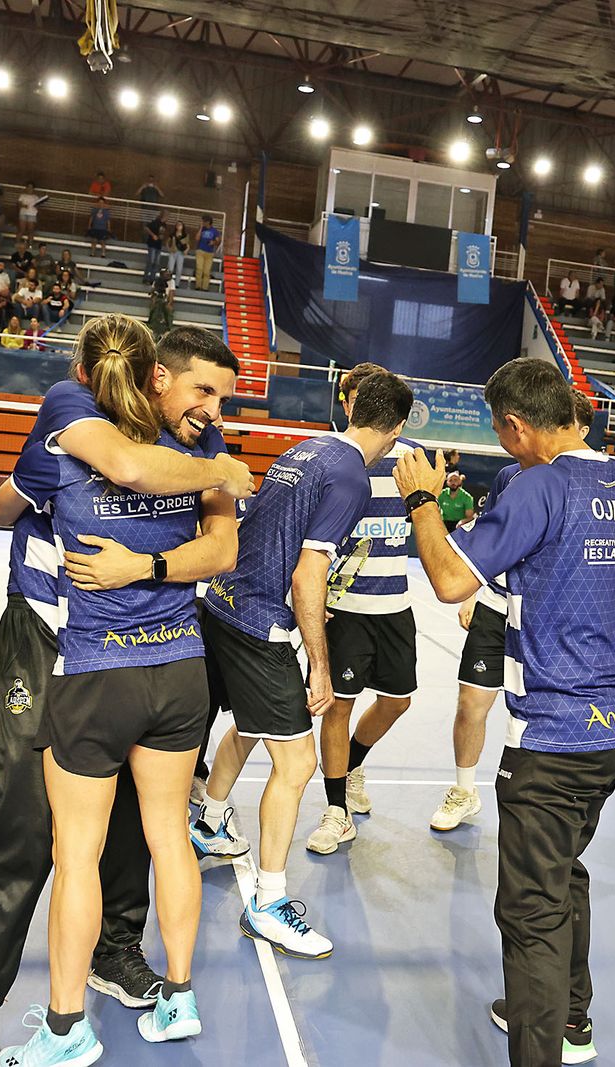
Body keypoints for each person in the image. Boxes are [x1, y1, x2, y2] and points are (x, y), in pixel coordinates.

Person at [0, 321, 256, 1066]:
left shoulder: (198, 442)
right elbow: (108, 474)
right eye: (204, 390)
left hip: (138, 652)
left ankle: (113, 956)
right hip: (50, 634)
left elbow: (220, 548)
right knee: (23, 819)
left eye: (223, 397)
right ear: (156, 376)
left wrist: (147, 563)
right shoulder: (74, 409)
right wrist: (220, 473)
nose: (214, 410)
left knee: (137, 827)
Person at [393, 356, 615, 1067]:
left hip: (555, 739)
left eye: (500, 433)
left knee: (529, 911)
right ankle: (572, 1020)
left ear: (515, 425)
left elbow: (449, 580)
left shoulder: (538, 487)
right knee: (563, 871)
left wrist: (423, 501)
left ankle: (545, 1042)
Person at [189, 370, 413, 960]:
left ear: (352, 407)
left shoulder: (306, 449)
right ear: (396, 429)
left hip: (222, 601)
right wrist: (319, 663)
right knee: (296, 763)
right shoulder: (353, 477)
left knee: (250, 725)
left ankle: (210, 822)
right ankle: (267, 904)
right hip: (261, 621)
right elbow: (307, 573)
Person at [431, 389, 593, 834]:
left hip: (547, 617)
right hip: (495, 607)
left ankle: (546, 801)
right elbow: (489, 543)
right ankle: (465, 791)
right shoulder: (509, 477)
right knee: (471, 703)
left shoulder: (582, 484)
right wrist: (472, 594)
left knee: (541, 713)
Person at [306, 364, 423, 856]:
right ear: (345, 402)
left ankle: (353, 763)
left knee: (398, 701)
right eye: (354, 396)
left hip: (395, 606)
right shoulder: (332, 457)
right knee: (338, 706)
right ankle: (336, 810)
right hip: (345, 610)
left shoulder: (412, 459)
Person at [194, 215, 222, 291]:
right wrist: (200, 228)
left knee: (207, 271)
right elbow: (197, 238)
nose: (202, 223)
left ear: (208, 222)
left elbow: (218, 241)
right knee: (199, 268)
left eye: (203, 221)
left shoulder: (214, 231)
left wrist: (214, 242)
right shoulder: (202, 229)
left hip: (209, 252)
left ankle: (205, 287)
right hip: (200, 250)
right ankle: (198, 285)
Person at [142, 210, 166, 283]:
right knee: (151, 261)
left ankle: (152, 278)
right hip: (152, 244)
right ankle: (146, 277)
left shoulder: (164, 225)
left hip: (158, 245)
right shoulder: (155, 222)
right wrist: (153, 235)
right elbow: (146, 228)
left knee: (156, 263)